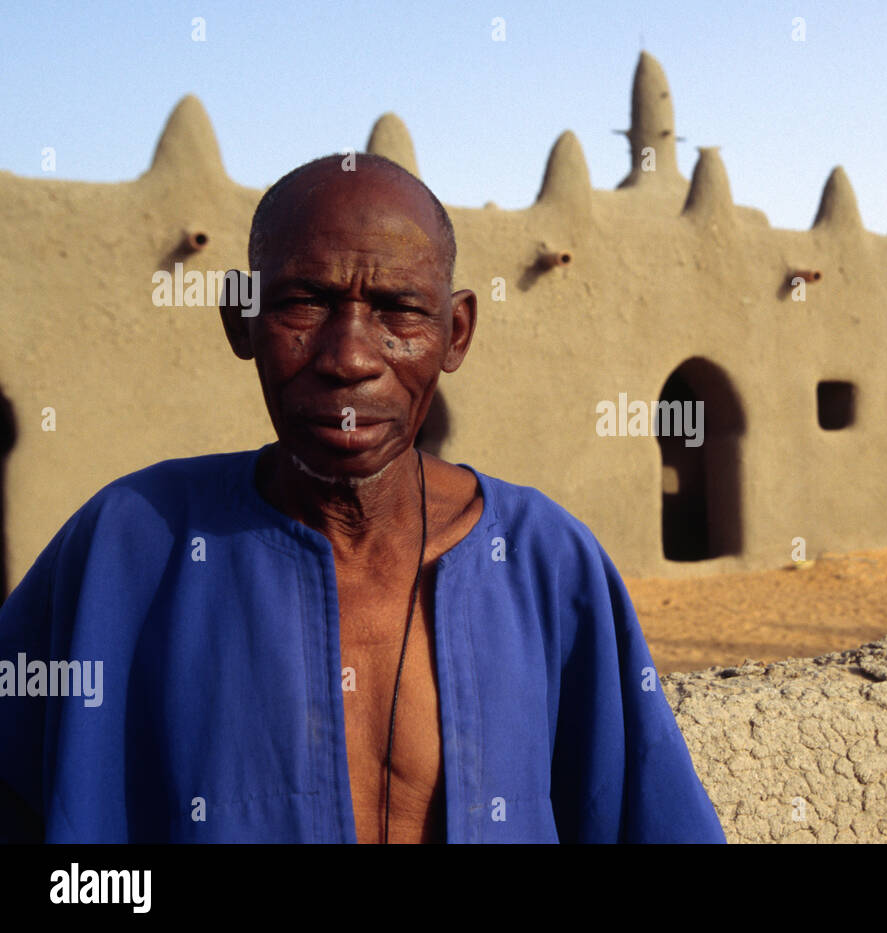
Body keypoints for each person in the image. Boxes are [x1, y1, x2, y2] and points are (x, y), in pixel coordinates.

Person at [0, 153, 726, 844]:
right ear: (240, 317)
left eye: (399, 310)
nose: (348, 357)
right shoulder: (127, 548)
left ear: (457, 331)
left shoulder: (547, 564)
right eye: (304, 302)